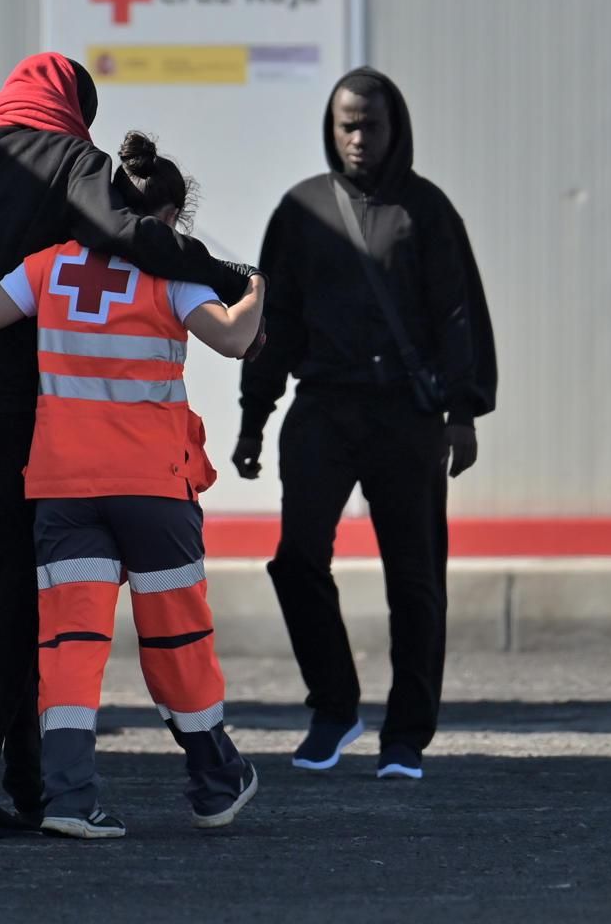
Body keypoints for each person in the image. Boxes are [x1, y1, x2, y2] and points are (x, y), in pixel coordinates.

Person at [0, 53, 256, 839]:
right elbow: (121, 233)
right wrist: (222, 273)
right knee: (13, 604)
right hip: (24, 415)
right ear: (73, 106)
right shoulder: (77, 159)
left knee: (4, 597)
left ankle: (30, 784)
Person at [232, 67, 497, 782]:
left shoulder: (427, 211)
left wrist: (463, 413)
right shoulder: (302, 210)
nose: (356, 138)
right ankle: (335, 707)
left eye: (369, 125)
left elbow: (457, 314)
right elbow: (272, 325)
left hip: (405, 416)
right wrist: (253, 419)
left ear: (394, 127)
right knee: (296, 559)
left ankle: (406, 735)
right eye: (345, 125)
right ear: (331, 127)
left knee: (414, 579)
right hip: (322, 407)